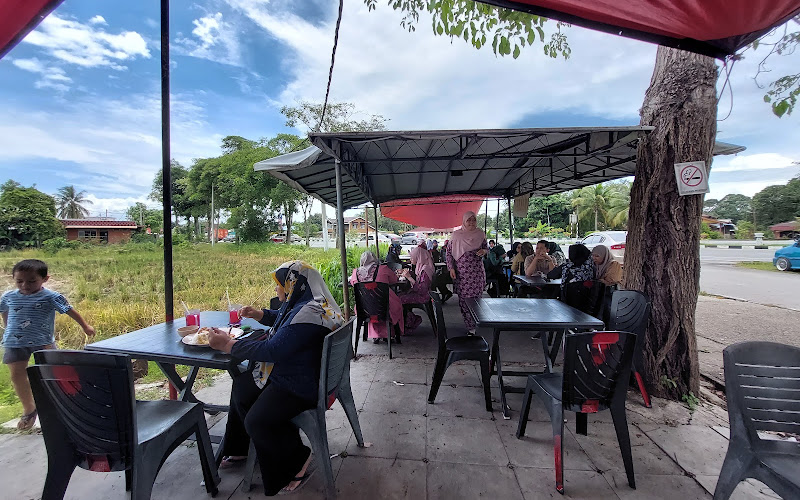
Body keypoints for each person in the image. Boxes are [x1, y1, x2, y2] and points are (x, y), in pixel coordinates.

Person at [207, 261, 343, 496]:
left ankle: (298, 458)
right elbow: (283, 318)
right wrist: (259, 314)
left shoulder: (308, 314)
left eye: (279, 285)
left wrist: (229, 345)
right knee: (242, 386)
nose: (277, 290)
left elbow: (272, 350)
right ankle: (241, 448)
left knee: (256, 421)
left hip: (300, 384)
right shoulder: (310, 303)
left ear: (294, 284)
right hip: (304, 370)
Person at [0, 259, 95, 430]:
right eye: (19, 281)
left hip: (42, 342)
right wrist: (8, 328)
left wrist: (85, 326)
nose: (25, 285)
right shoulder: (8, 296)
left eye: (31, 281)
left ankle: (59, 406)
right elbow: (5, 312)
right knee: (17, 375)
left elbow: (70, 311)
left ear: (45, 279)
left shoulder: (51, 297)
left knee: (51, 374)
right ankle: (29, 408)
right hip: (14, 342)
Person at [446, 211, 489, 333]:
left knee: (477, 300)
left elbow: (486, 248)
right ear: (464, 221)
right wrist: (451, 268)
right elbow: (449, 253)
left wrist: (484, 252)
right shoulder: (456, 235)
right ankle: (470, 326)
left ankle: (476, 323)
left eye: (473, 220)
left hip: (477, 274)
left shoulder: (480, 234)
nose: (471, 222)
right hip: (462, 274)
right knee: (464, 301)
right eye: (468, 220)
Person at [349, 251, 403, 343]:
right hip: (385, 307)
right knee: (395, 305)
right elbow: (394, 279)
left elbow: (353, 283)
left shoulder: (355, 273)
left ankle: (375, 335)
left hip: (364, 308)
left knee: (372, 305)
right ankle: (391, 334)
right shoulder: (383, 268)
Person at [397, 240, 434, 331]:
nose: (411, 259)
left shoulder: (425, 270)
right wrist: (407, 273)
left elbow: (421, 289)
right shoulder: (422, 266)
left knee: (398, 299)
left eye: (412, 257)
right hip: (424, 294)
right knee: (399, 295)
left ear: (419, 257)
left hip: (424, 296)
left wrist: (409, 278)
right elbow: (418, 278)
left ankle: (411, 322)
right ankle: (407, 321)